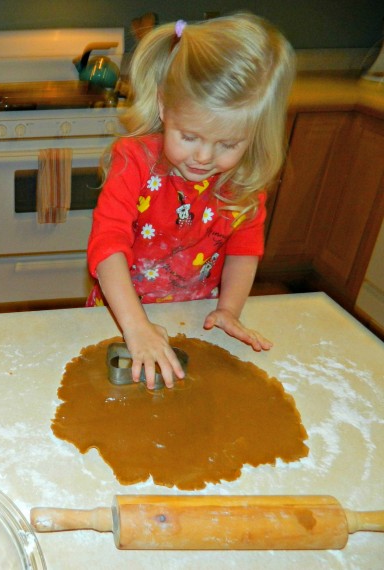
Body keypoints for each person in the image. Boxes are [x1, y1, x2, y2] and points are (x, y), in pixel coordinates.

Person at [86, 14, 295, 388]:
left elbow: (243, 252)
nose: (203, 157)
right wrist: (137, 327)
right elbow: (106, 246)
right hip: (121, 315)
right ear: (165, 107)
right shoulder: (134, 161)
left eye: (228, 144)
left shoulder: (242, 182)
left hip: (195, 314)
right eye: (189, 136)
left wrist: (229, 310)